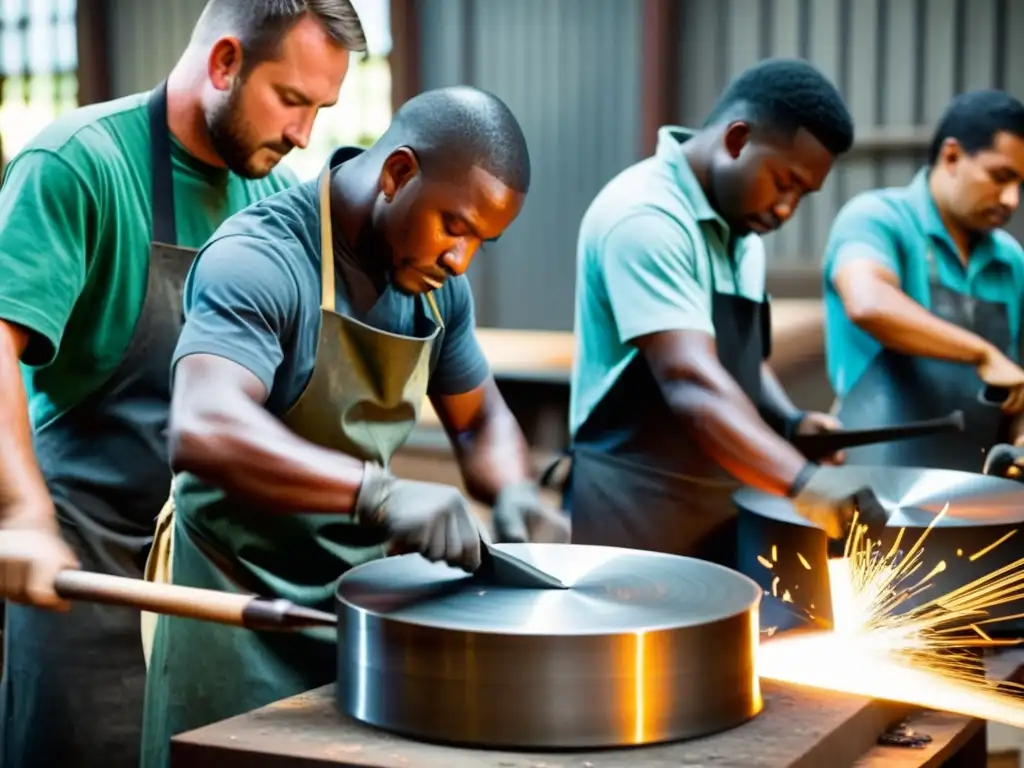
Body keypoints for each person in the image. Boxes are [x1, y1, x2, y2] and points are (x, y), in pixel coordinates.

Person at [140, 85, 570, 766]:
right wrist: (382, 494)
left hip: (354, 610)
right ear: (398, 172)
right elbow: (205, 426)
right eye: (454, 227)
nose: (461, 261)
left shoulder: (437, 290)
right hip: (234, 609)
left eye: (480, 243)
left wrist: (515, 488)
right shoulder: (261, 259)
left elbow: (480, 417)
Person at [0, 2, 365, 766]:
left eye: (319, 110)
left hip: (206, 583)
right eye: (291, 101)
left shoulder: (271, 203)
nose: (304, 134)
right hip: (83, 570)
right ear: (225, 62)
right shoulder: (79, 165)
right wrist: (21, 512)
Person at [565, 58, 865, 567]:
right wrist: (803, 482)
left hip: (722, 503)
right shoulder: (645, 217)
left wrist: (788, 420)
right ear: (737, 139)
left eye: (802, 195)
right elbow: (691, 379)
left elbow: (738, 362)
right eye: (783, 182)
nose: (786, 209)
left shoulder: (742, 232)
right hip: (635, 508)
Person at [824, 90, 1024, 472]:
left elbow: (1018, 382)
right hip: (875, 487)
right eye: (1001, 177)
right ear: (951, 157)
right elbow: (868, 302)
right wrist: (982, 353)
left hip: (979, 494)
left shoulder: (1011, 261)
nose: (1012, 199)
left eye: (1021, 185)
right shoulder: (878, 219)